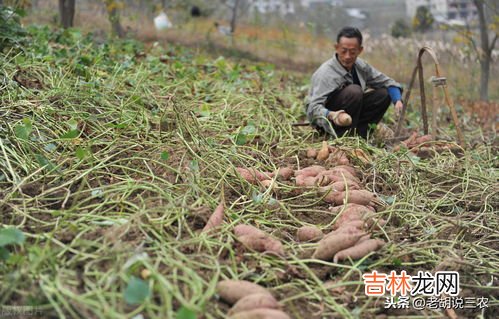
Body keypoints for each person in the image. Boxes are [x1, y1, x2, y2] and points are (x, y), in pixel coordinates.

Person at [305, 26, 403, 138]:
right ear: (336, 48)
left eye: (352, 52)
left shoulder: (361, 66)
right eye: (344, 51)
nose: (347, 56)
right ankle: (339, 136)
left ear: (360, 50)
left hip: (352, 116)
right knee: (354, 91)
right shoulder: (326, 74)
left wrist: (397, 100)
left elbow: (387, 82)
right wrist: (331, 115)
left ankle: (360, 136)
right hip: (328, 120)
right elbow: (313, 109)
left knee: (384, 94)